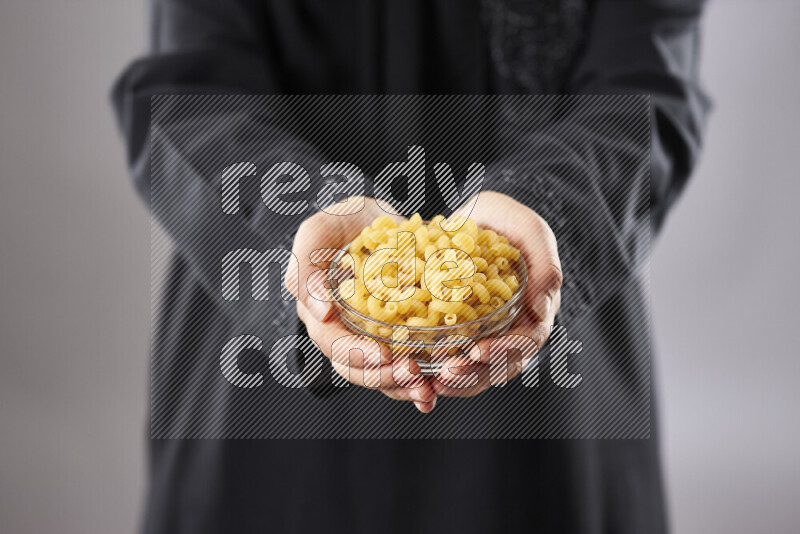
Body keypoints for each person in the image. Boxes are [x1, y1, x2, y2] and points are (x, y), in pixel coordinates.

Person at [113, 1, 709, 532]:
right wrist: (294, 227)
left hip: (544, 363)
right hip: (265, 385)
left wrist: (549, 208)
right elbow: (188, 94)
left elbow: (646, 91)